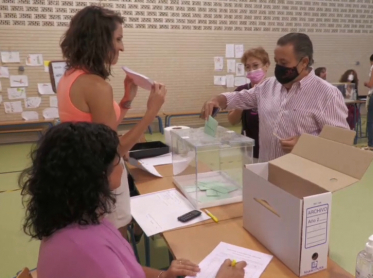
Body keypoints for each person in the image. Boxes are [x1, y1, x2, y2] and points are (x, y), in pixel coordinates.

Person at [20, 122, 247, 278]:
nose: (123, 166)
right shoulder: (86, 248)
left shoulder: (82, 218)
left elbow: (129, 269)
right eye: (118, 162)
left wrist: (161, 274)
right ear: (100, 177)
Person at [57, 6, 166, 238]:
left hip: (83, 174)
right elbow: (113, 150)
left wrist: (126, 100)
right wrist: (151, 112)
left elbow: (102, 129)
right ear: (100, 40)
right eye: (118, 39)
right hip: (103, 181)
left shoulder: (70, 77)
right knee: (117, 246)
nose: (122, 47)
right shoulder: (97, 86)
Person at [201, 33, 349, 162]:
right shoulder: (269, 85)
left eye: (284, 63)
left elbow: (342, 142)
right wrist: (219, 100)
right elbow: (241, 97)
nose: (278, 67)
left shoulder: (327, 94)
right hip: (267, 170)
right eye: (277, 61)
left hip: (303, 178)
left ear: (304, 62)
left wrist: (307, 144)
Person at [227, 47, 270, 161]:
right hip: (249, 148)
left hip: (271, 149)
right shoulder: (241, 91)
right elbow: (232, 121)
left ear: (266, 65)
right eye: (248, 67)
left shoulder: (275, 89)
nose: (252, 70)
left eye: (256, 66)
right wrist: (244, 101)